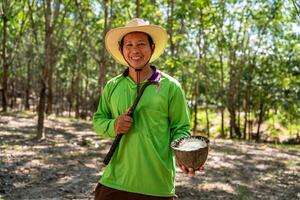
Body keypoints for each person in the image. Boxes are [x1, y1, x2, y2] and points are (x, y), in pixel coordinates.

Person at [93, 18, 203, 200]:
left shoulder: (171, 87)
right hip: (114, 182)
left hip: (156, 185)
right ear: (121, 49)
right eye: (128, 44)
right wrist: (114, 125)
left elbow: (180, 127)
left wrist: (184, 151)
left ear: (152, 47)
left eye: (141, 44)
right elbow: (98, 120)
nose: (134, 50)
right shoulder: (112, 86)